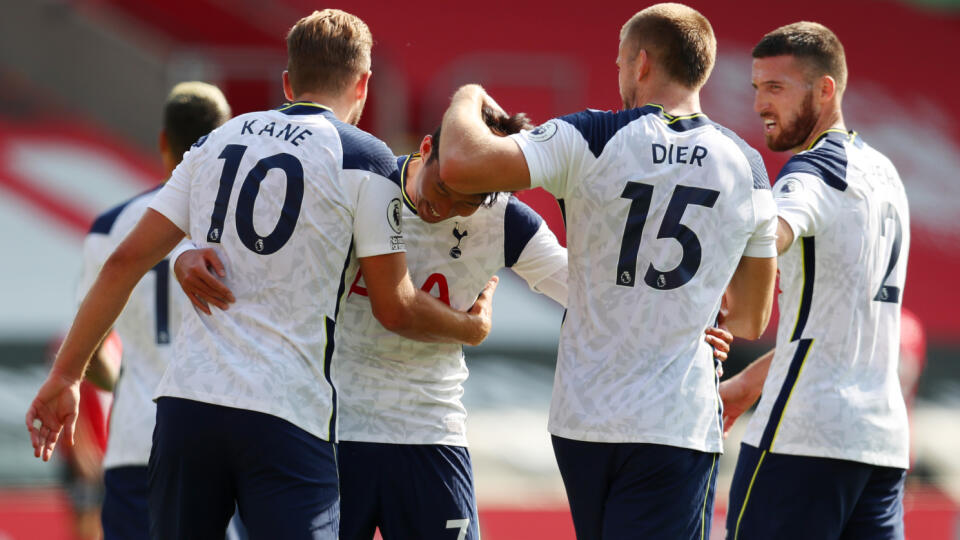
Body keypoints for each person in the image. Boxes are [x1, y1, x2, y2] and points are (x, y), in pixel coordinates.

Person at [25, 9, 495, 540]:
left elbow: (124, 261)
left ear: (288, 80)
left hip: (188, 408)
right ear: (363, 85)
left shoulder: (216, 140)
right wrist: (469, 326)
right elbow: (396, 307)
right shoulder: (367, 159)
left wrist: (64, 377)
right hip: (285, 411)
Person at [177, 106, 735, 540]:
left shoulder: (507, 220)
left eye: (467, 201)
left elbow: (594, 291)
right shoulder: (363, 185)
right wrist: (183, 252)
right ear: (425, 148)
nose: (445, 207)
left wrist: (682, 323)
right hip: (334, 426)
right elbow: (262, 239)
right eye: (442, 187)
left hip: (430, 430)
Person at [436, 4, 778, 539]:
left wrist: (467, 95)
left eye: (620, 64)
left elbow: (458, 162)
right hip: (675, 421)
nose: (620, 76)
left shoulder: (591, 134)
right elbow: (753, 318)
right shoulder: (746, 164)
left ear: (641, 64)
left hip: (584, 417)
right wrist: (699, 312)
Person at [720, 22, 911, 540]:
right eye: (757, 88)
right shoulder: (885, 175)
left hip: (803, 437)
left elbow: (769, 236)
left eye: (776, 88)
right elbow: (828, 331)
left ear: (825, 89)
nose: (761, 104)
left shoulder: (812, 171)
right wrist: (744, 386)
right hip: (880, 445)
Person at [75, 81, 234, 540]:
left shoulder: (112, 226)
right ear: (225, 139)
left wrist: (125, 377)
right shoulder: (244, 223)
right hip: (222, 437)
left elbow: (94, 349)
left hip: (136, 442)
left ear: (164, 141)